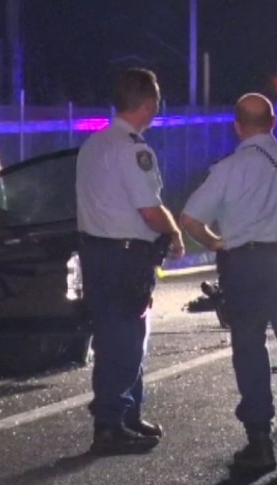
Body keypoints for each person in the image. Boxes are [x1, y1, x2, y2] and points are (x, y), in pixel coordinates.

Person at [75, 67, 185, 455]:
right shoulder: (134, 149)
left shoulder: (93, 145)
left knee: (115, 336)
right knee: (124, 340)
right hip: (125, 257)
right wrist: (174, 233)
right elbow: (150, 210)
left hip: (98, 253)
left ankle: (127, 412)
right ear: (150, 103)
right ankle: (110, 424)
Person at [180, 92, 277, 475]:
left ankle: (261, 441)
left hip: (248, 265)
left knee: (250, 349)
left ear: (238, 127)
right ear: (272, 123)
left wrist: (217, 243)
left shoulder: (227, 169)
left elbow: (189, 219)